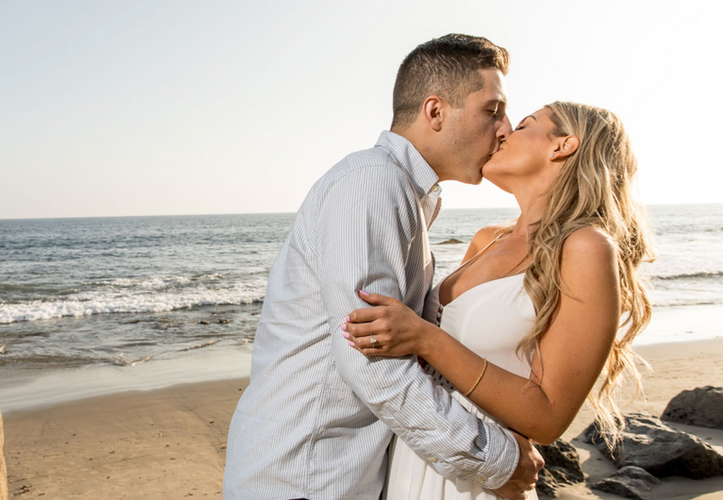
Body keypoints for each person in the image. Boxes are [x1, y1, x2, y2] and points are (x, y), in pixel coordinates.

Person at [224, 34, 544, 500]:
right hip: (306, 479)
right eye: (492, 110)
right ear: (435, 112)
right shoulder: (373, 183)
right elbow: (371, 363)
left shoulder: (407, 195)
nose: (505, 128)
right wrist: (496, 458)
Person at [343, 101, 655, 499]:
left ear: (562, 146)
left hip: (482, 479)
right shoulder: (487, 239)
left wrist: (425, 339)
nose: (504, 132)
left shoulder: (585, 248)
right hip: (422, 458)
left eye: (525, 125)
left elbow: (549, 416)